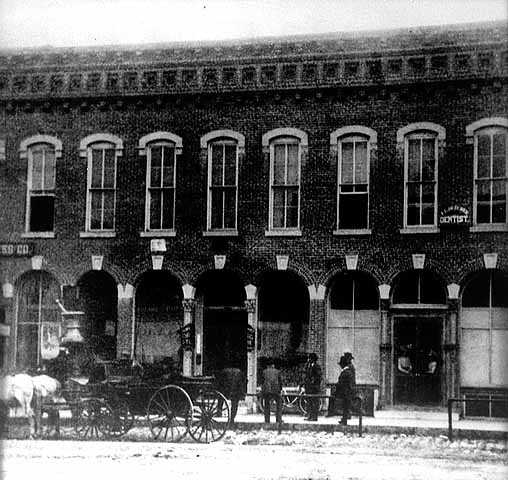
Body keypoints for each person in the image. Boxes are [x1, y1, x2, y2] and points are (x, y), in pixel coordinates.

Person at [261, 359, 282, 424]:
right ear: (273, 365)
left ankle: (267, 420)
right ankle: (278, 419)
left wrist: (263, 390)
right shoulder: (277, 372)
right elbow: (280, 382)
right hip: (276, 390)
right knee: (279, 404)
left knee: (267, 405)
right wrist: (280, 389)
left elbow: (262, 382)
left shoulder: (264, 372)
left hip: (267, 390)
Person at [336, 354, 355, 425]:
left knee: (346, 406)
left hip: (346, 392)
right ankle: (344, 419)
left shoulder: (346, 372)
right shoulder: (346, 371)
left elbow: (345, 383)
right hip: (345, 392)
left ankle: (345, 420)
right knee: (345, 406)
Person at [303, 352, 322, 421]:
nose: (308, 360)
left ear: (312, 359)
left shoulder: (317, 366)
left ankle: (314, 416)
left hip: (314, 388)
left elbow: (318, 377)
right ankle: (309, 415)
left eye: (309, 358)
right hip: (308, 387)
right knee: (309, 402)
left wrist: (313, 383)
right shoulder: (308, 366)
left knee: (314, 402)